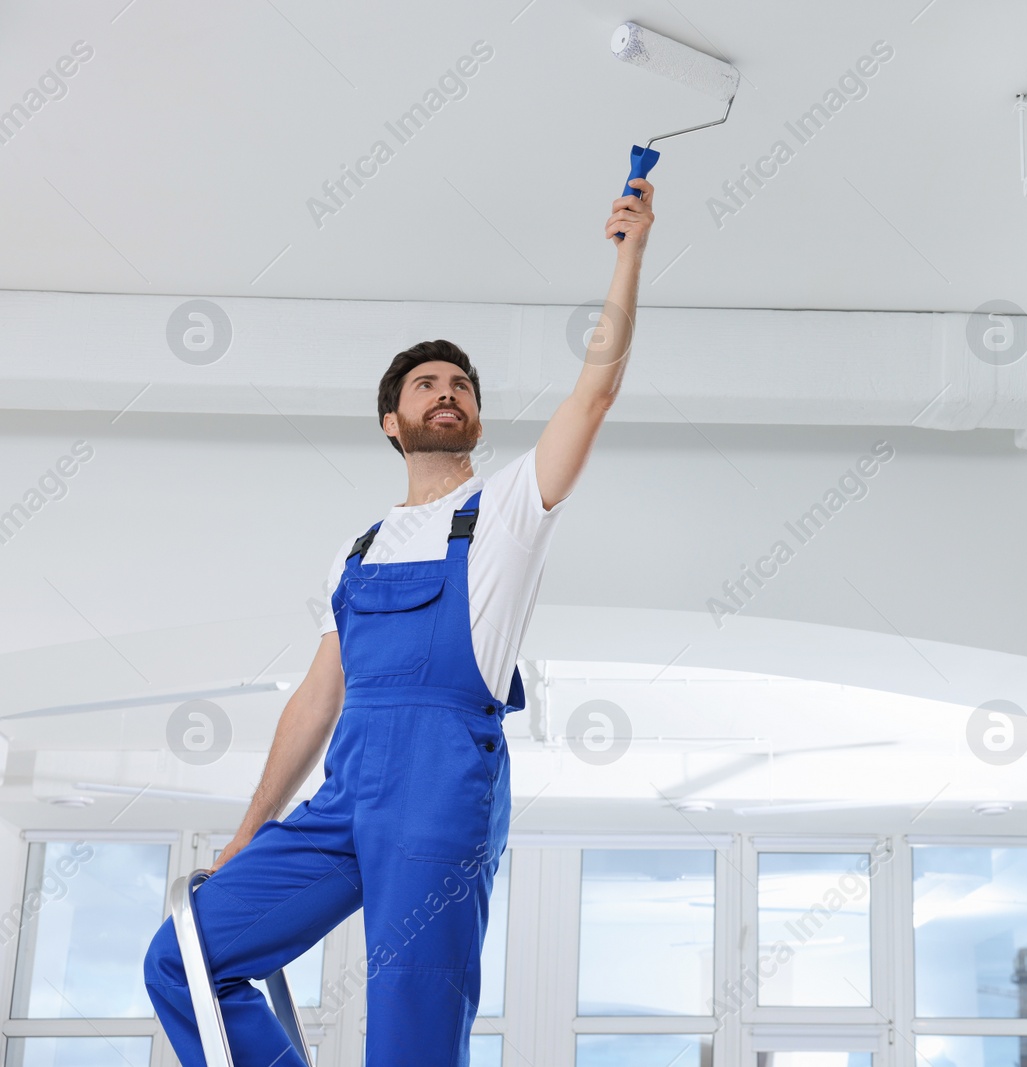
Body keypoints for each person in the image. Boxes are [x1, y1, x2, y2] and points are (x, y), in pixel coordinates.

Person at [143, 178, 656, 1066]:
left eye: (461, 385)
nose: (446, 392)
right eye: (426, 383)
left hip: (440, 796)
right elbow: (316, 698)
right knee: (183, 955)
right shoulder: (357, 548)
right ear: (393, 419)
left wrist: (629, 253)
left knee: (411, 1039)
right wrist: (252, 828)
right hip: (345, 797)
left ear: (477, 418)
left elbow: (594, 393)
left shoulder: (505, 510)